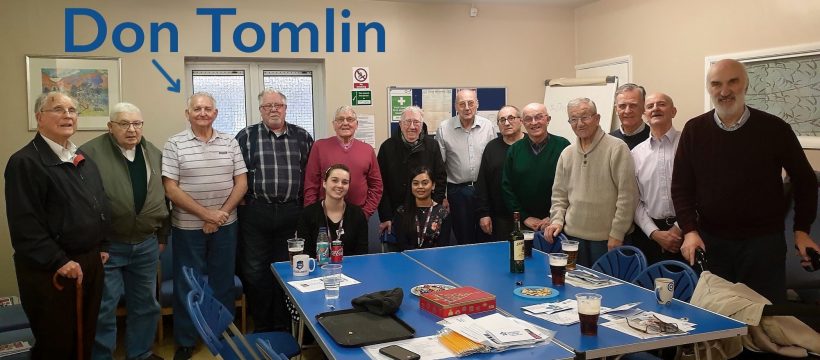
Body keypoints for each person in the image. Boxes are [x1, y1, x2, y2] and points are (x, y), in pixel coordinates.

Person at [672, 59, 819, 304]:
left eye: (733, 82)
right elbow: (681, 188)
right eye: (716, 84)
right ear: (709, 88)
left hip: (763, 246)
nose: (724, 91)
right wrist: (689, 231)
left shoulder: (775, 129)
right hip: (712, 245)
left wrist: (801, 231)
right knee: (719, 324)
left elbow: (805, 181)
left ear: (746, 85)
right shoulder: (694, 130)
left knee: (766, 323)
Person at [5, 91, 110, 359]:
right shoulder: (25, 162)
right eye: (58, 109)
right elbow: (25, 225)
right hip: (54, 270)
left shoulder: (80, 156)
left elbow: (98, 203)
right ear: (39, 118)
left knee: (84, 336)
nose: (67, 115)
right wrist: (58, 261)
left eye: (72, 110)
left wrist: (102, 245)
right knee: (57, 343)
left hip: (88, 262)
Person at [162, 92, 248, 360]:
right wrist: (205, 215)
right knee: (189, 284)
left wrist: (220, 214)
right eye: (197, 108)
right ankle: (186, 340)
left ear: (215, 113)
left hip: (226, 224)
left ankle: (221, 333)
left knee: (223, 281)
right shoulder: (174, 144)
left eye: (207, 108)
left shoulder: (230, 141)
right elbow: (170, 189)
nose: (202, 113)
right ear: (187, 113)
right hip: (188, 228)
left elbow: (242, 183)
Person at [81, 103, 168, 360]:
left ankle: (140, 354)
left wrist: (162, 235)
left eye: (137, 124)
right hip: (108, 246)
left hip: (145, 244)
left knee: (146, 306)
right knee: (103, 308)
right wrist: (94, 244)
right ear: (110, 127)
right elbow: (79, 202)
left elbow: (163, 197)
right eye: (124, 124)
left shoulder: (152, 152)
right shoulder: (89, 153)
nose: (132, 130)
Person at [235, 89, 313, 332]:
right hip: (257, 212)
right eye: (267, 106)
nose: (273, 109)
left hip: (292, 213)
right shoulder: (246, 137)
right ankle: (263, 323)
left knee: (287, 269)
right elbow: (236, 174)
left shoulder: (302, 137)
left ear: (285, 108)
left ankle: (283, 323)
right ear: (260, 110)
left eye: (278, 105)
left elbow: (310, 175)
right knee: (255, 270)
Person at [545, 98, 638, 267]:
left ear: (597, 118)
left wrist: (618, 233)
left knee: (608, 291)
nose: (579, 124)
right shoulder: (567, 153)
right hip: (572, 238)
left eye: (585, 117)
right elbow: (559, 195)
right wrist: (557, 220)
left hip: (607, 240)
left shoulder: (617, 148)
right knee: (574, 288)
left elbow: (628, 196)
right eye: (573, 119)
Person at [377, 106, 446, 251]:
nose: (412, 127)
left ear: (422, 125)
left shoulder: (432, 146)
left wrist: (436, 210)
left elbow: (440, 179)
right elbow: (380, 186)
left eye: (416, 122)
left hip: (427, 214)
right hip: (397, 215)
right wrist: (386, 216)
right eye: (407, 122)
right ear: (400, 124)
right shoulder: (387, 148)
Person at [630, 93, 685, 265]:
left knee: (688, 289)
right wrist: (654, 233)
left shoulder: (688, 143)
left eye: (661, 104)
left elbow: (700, 192)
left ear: (674, 111)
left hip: (687, 232)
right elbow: (634, 200)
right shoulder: (636, 154)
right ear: (645, 115)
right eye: (650, 106)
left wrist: (678, 229)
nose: (655, 109)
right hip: (651, 237)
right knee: (651, 288)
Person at [436, 89, 497, 244]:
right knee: (464, 238)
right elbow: (439, 167)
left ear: (477, 104)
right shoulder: (444, 128)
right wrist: (442, 196)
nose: (467, 107)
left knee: (487, 235)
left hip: (484, 191)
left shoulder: (488, 126)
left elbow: (494, 161)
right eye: (462, 104)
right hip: (458, 193)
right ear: (456, 106)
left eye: (471, 103)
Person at [304, 106, 382, 220]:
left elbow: (377, 186)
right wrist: (312, 213)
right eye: (340, 119)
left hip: (359, 215)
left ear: (356, 124)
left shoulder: (367, 150)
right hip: (324, 215)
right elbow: (311, 184)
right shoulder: (319, 147)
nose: (345, 123)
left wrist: (365, 213)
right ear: (334, 124)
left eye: (350, 119)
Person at [501, 103, 570, 233]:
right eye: (528, 119)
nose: (534, 122)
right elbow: (507, 187)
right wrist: (524, 217)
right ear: (522, 122)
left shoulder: (563, 146)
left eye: (539, 117)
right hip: (523, 225)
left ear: (548, 119)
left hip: (557, 223)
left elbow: (571, 186)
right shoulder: (515, 150)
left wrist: (554, 217)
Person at [296, 164, 369, 257]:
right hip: (317, 268)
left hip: (351, 269)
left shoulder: (357, 214)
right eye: (334, 180)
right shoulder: (308, 214)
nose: (339, 185)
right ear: (324, 183)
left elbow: (362, 255)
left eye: (345, 182)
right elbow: (305, 254)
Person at [475, 105, 524, 241]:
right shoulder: (491, 147)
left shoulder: (529, 145)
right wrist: (483, 214)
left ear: (521, 120)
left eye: (511, 118)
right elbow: (482, 184)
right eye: (502, 120)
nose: (507, 123)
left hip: (527, 218)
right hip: (499, 218)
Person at [395, 167, 450, 250]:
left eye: (425, 183)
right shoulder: (401, 212)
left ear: (433, 186)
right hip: (408, 259)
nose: (420, 187)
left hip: (435, 259)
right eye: (416, 183)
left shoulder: (443, 214)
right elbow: (401, 245)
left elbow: (443, 246)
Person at [610, 83, 650, 149]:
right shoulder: (609, 140)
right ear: (616, 110)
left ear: (643, 107)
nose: (627, 111)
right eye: (622, 106)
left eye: (633, 105)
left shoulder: (654, 139)